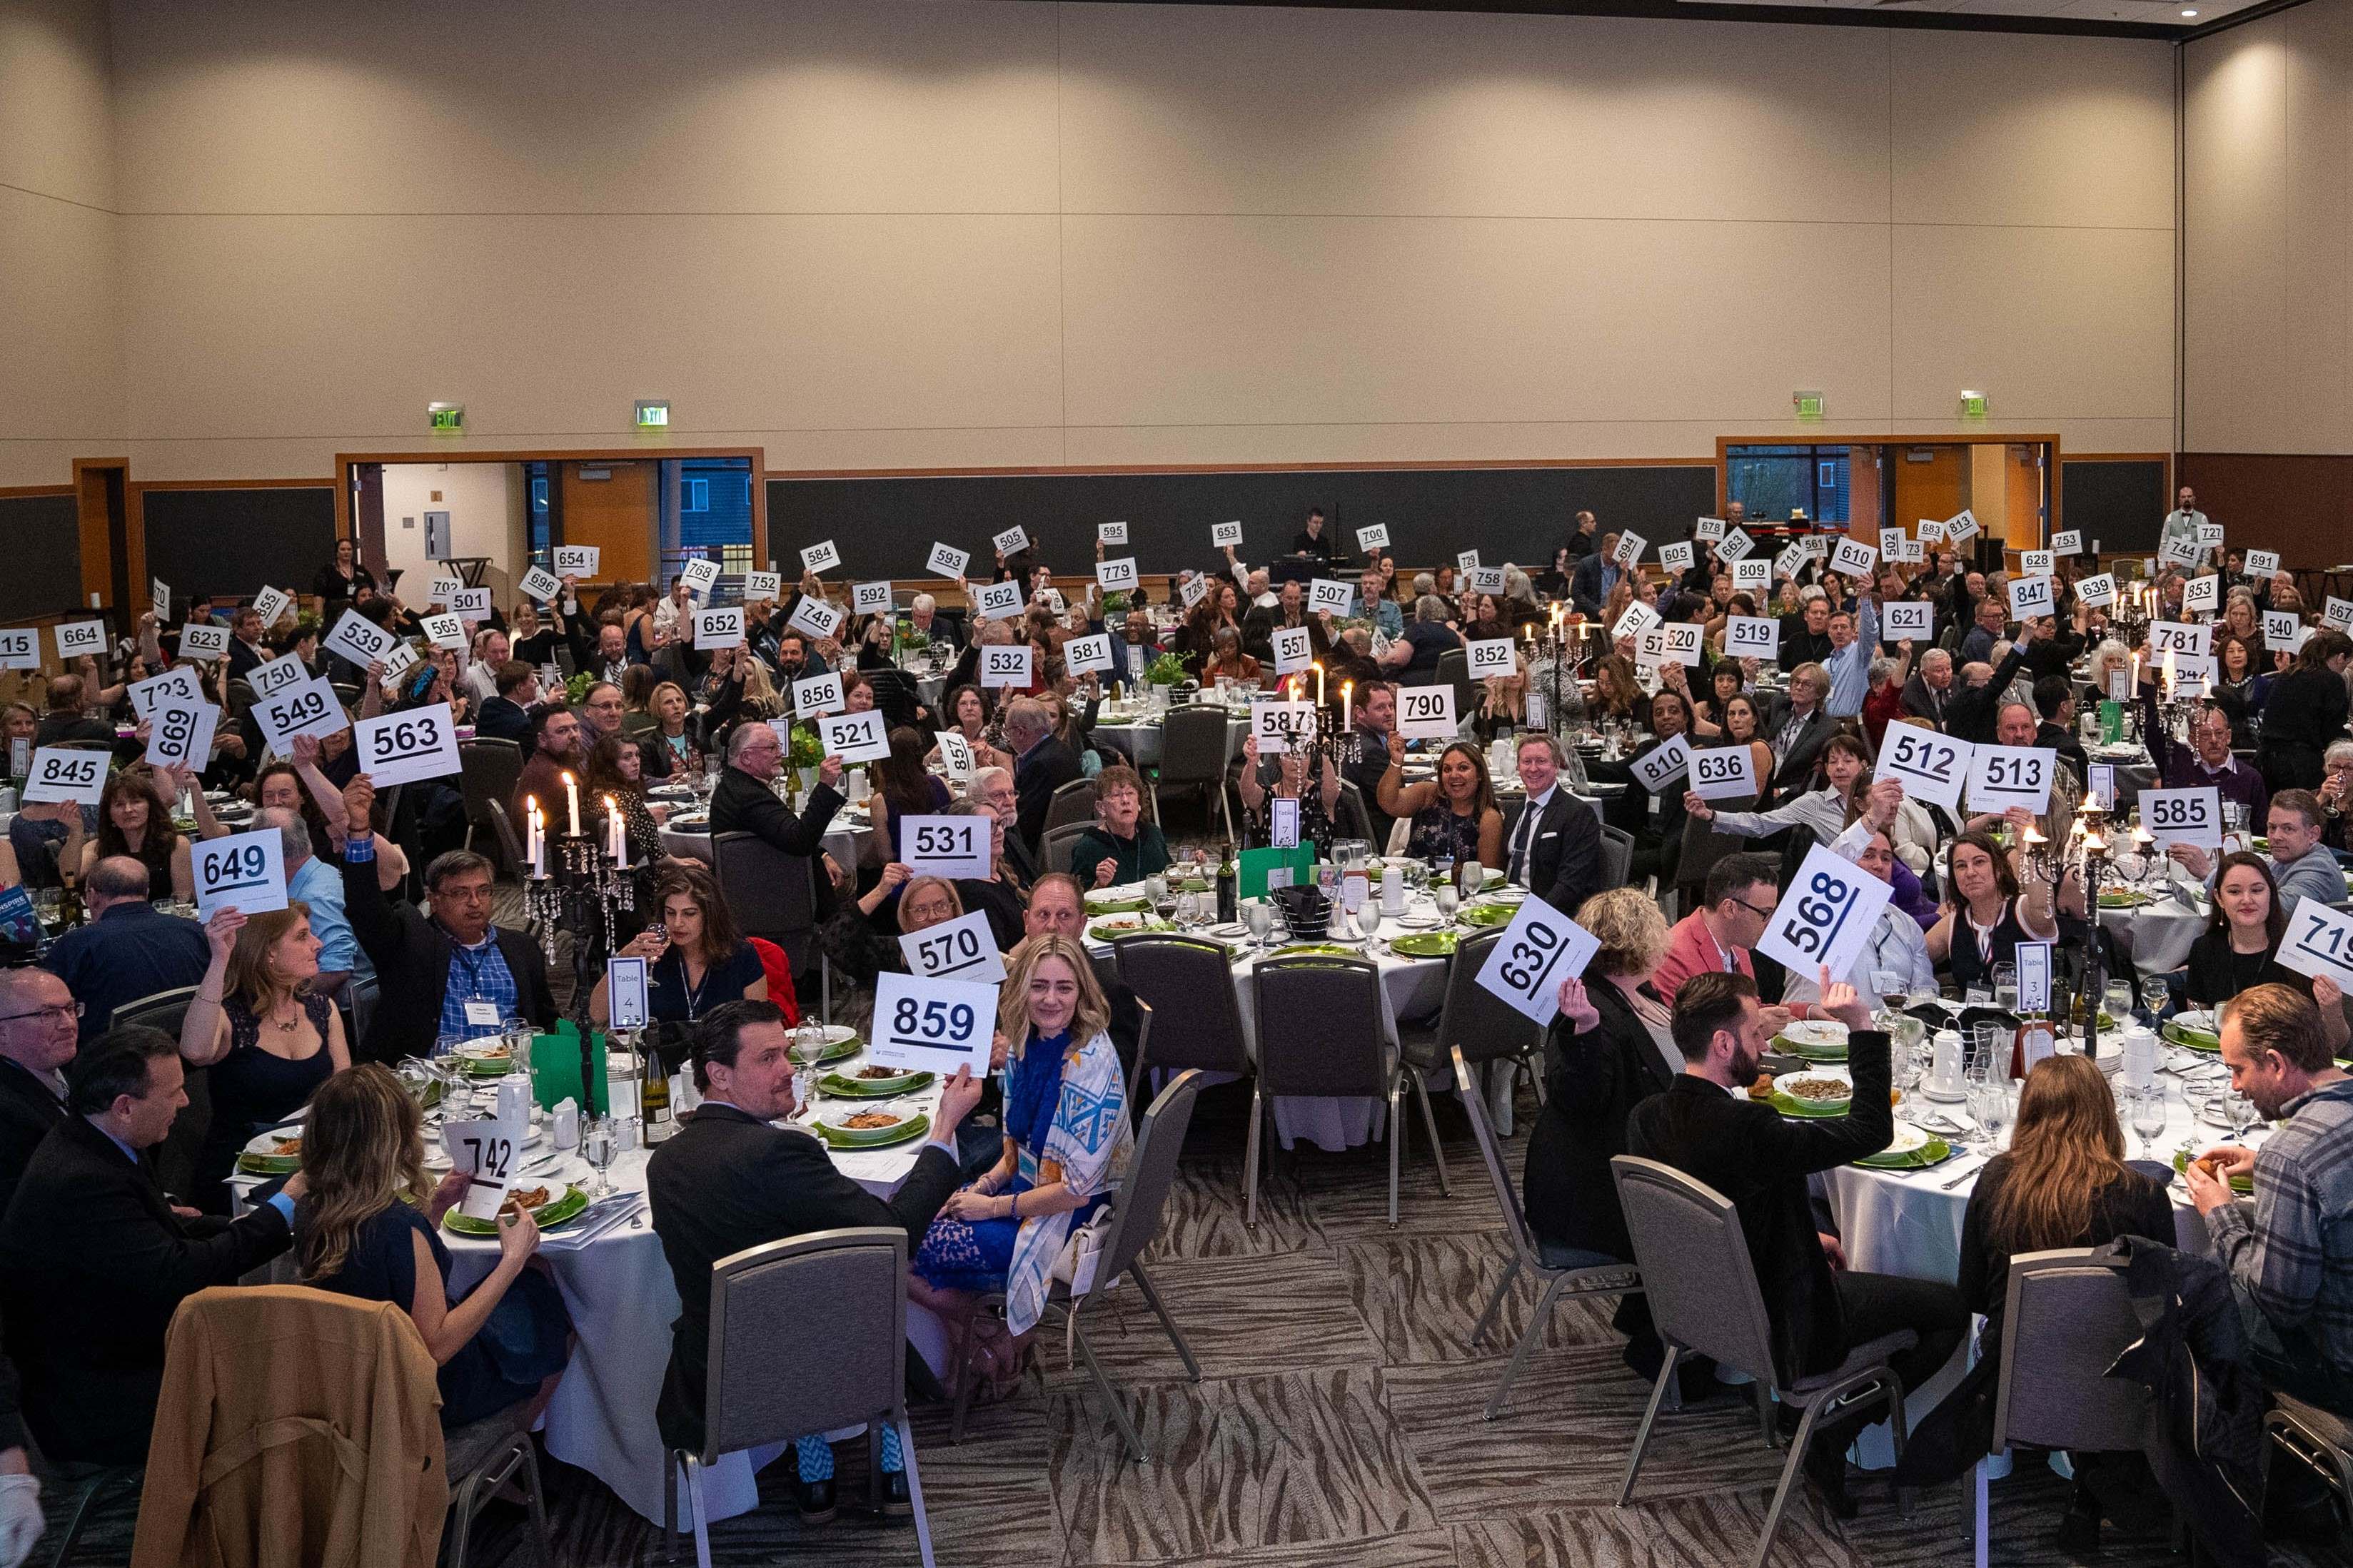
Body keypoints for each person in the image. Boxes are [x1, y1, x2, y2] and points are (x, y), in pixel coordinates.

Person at [1626, 971, 1968, 1513]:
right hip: (1786, 1324)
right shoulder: (1750, 1127)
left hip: (1699, 1309)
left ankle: (1819, 1423)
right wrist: (1863, 1029)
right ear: (1723, 1043)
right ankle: (1834, 1430)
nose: (1763, 1045)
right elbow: (1870, 1132)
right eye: (1755, 1034)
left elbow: (1726, 1201)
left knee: (1825, 1226)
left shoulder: (1647, 1117)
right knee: (1953, 1309)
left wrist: (1807, 1234)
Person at [649, 1001, 982, 1521]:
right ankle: (878, 1442)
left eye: (785, 1052)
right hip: (828, 1376)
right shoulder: (778, 1155)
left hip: (716, 1392)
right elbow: (891, 1236)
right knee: (860, 1288)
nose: (789, 1069)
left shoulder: (663, 1164)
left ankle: (812, 1456)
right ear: (719, 1075)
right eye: (768, 1059)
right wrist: (943, 1130)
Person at [0, 1026, 301, 1464]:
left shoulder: (99, 1140)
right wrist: (287, 1204)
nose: (186, 1103)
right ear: (124, 1107)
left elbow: (159, 1230)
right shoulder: (84, 1181)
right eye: (174, 1092)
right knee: (290, 1370)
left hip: (112, 1341)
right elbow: (179, 1271)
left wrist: (246, 1223)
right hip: (101, 1392)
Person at [1901, 1054, 2175, 1532]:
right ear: (2107, 1115)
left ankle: (2089, 1482)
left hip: (2016, 1385)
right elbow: (2167, 1308)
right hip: (2122, 1393)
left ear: (2026, 1113)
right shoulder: (2146, 1195)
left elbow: (1974, 1297)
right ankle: (2098, 1483)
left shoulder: (1996, 1181)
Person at [294, 1063, 569, 1429]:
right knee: (558, 1312)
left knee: (537, 1278)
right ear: (394, 1142)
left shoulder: (311, 1210)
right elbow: (437, 1346)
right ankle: (502, 1450)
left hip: (356, 1383)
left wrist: (435, 1208)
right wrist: (512, 1261)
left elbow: (389, 1268)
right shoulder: (397, 1228)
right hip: (427, 1395)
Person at [913, 938, 1134, 1342]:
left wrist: (992, 1206)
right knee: (915, 1216)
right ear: (1022, 991)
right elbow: (1017, 1151)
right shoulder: (1025, 1044)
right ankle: (985, 1341)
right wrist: (981, 1186)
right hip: (1026, 1192)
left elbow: (1076, 1193)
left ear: (1081, 992)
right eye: (1038, 986)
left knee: (910, 1245)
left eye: (1064, 988)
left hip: (1070, 1217)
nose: (1050, 999)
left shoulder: (1089, 1065)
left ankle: (988, 1344)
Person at [1521, 890, 1681, 1384]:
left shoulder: (1638, 990)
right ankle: (1673, 1349)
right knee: (1717, 1216)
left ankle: (1662, 1327)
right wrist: (1585, 1030)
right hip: (1593, 1193)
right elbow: (1580, 1098)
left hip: (1615, 1166)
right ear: (1648, 940)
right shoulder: (1583, 1004)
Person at [2184, 983, 2353, 1418]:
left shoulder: (2292, 1154)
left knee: (2192, 1297)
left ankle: (2219, 1462)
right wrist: (2263, 1164)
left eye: (2238, 1070)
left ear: (2276, 1064)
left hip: (2339, 1369)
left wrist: (2218, 1212)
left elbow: (2282, 1304)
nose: (2236, 1086)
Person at [338, 777, 555, 1061]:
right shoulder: (410, 943)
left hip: (510, 1076)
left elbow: (547, 1024)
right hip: (436, 1080)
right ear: (433, 898)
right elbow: (364, 906)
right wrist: (358, 830)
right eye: (460, 893)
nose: (475, 902)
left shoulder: (521, 948)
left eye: (483, 891)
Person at [178, 903, 350, 1213]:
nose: (318, 943)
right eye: (302, 936)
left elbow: (344, 1095)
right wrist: (220, 958)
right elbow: (195, 1051)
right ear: (267, 952)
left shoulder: (322, 1009)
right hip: (242, 1178)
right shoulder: (230, 1016)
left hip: (312, 1170)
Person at [2182, 852, 2353, 1046]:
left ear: (2271, 894)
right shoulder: (2204, 949)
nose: (2247, 900)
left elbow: (2336, 1044)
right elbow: (2196, 1027)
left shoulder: (2300, 952)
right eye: (2234, 892)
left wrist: (2332, 1009)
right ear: (2219, 898)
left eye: (2257, 890)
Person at [41, 856, 208, 1041]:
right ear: (147, 892)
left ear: (93, 896)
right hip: (190, 1053)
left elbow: (45, 1008)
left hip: (108, 1059)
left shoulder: (77, 944)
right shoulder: (196, 932)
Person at [593, 861, 768, 1028]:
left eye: (689, 914)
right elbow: (597, 1014)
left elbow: (759, 1025)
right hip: (662, 1055)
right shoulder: (651, 953)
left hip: (723, 1055)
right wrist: (623, 960)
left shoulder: (741, 954)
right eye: (670, 913)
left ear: (710, 915)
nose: (677, 923)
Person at [710, 722, 847, 911]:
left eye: (779, 747)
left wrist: (822, 854)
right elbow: (800, 840)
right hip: (777, 899)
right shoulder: (750, 796)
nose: (780, 754)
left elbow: (781, 831)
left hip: (761, 890)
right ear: (747, 757)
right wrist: (824, 786)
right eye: (771, 748)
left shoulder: (737, 785)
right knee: (852, 881)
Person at [2171, 789, 2347, 918]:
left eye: (2288, 829)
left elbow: (2274, 910)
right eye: (2272, 827)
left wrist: (2207, 873)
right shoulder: (2286, 858)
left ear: (2313, 835)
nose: (2276, 837)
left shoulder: (2318, 869)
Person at [1685, 732, 1871, 849]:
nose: (1840, 767)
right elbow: (1761, 823)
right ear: (1826, 769)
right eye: (1833, 761)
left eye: (1848, 761)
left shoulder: (1877, 798)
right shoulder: (1814, 802)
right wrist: (1712, 815)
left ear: (1863, 765)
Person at [1651, 851, 1783, 1007]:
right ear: (1730, 909)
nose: (1770, 923)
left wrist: (1804, 1011)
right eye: (1765, 913)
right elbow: (1685, 1028)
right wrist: (1760, 1023)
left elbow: (1750, 1009)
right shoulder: (1675, 955)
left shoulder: (1737, 940)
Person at [1501, 732, 1603, 914]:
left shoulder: (1578, 814)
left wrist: (1532, 915)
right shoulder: (1515, 811)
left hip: (1552, 913)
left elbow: (1570, 885)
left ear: (1556, 766)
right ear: (1518, 767)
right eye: (1526, 762)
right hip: (1508, 907)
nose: (1533, 769)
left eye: (1541, 761)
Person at [0, 970, 74, 1212]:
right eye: (49, 1014)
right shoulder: (8, 1113)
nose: (68, 1024)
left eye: (71, 1009)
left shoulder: (81, 1067)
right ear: (2, 1031)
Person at [1377, 737, 1504, 871]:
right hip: (1413, 884)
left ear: (1480, 774)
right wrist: (1396, 762)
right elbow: (1388, 803)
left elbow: (1488, 875)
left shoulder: (1489, 818)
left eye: (1463, 768)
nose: (1454, 775)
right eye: (1447, 770)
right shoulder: (1428, 795)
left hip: (1458, 889)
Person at [2258, 627, 2352, 791]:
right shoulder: (2332, 681)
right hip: (2300, 766)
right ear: (2341, 657)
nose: (2344, 669)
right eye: (2346, 663)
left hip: (2266, 760)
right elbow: (2333, 731)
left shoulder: (2287, 674)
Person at [82, 767, 193, 901]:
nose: (128, 810)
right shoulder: (98, 846)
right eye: (119, 805)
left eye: (136, 802)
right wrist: (76, 829)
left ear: (150, 806)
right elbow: (70, 874)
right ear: (109, 814)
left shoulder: (177, 845)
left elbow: (183, 900)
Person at [2160, 702, 2269, 826]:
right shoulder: (2181, 769)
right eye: (2205, 735)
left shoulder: (2250, 778)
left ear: (2228, 736)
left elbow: (2261, 833)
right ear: (2191, 740)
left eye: (2219, 733)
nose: (2214, 740)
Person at [1236, 731, 1341, 856]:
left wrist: (1323, 755)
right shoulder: (1269, 795)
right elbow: (1248, 793)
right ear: (1279, 761)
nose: (1297, 761)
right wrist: (1251, 763)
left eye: (1303, 755)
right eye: (1289, 755)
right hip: (1275, 871)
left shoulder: (1319, 794)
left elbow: (1332, 795)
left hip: (1317, 872)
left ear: (1310, 759)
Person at [1068, 764, 1170, 889]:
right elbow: (1076, 903)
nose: (1125, 800)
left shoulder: (1152, 834)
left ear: (1139, 802)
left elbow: (1170, 876)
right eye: (1116, 795)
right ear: (1101, 808)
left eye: (1130, 793)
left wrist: (1193, 868)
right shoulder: (1088, 847)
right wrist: (1099, 885)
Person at [1003, 696, 1081, 856]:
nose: (1008, 738)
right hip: (1065, 842)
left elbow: (1020, 821)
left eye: (1008, 731)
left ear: (1020, 732)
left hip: (1036, 850)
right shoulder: (1063, 750)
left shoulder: (1039, 765)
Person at [1760, 663, 1835, 796]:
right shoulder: (1778, 706)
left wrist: (1781, 792)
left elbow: (1816, 778)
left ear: (1819, 693)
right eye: (1796, 682)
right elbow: (1751, 718)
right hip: (1760, 784)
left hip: (1790, 797)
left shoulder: (1827, 728)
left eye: (1806, 684)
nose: (1799, 687)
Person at [513, 704, 583, 833]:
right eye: (562, 731)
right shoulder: (554, 777)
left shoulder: (545, 761)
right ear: (542, 740)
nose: (574, 735)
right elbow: (569, 833)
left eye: (575, 728)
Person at [1379, 595, 1460, 687]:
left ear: (1420, 612)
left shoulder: (1416, 630)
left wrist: (1380, 661)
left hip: (1413, 686)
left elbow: (1397, 659)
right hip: (1446, 685)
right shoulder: (1452, 634)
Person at [473, 660, 538, 745]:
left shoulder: (488, 705)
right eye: (532, 681)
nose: (537, 684)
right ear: (520, 688)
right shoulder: (523, 726)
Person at [1900, 647, 1955, 730]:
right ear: (1925, 674)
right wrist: (1943, 727)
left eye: (1948, 669)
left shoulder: (1957, 683)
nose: (1946, 675)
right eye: (1939, 671)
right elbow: (1918, 728)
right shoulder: (1910, 694)